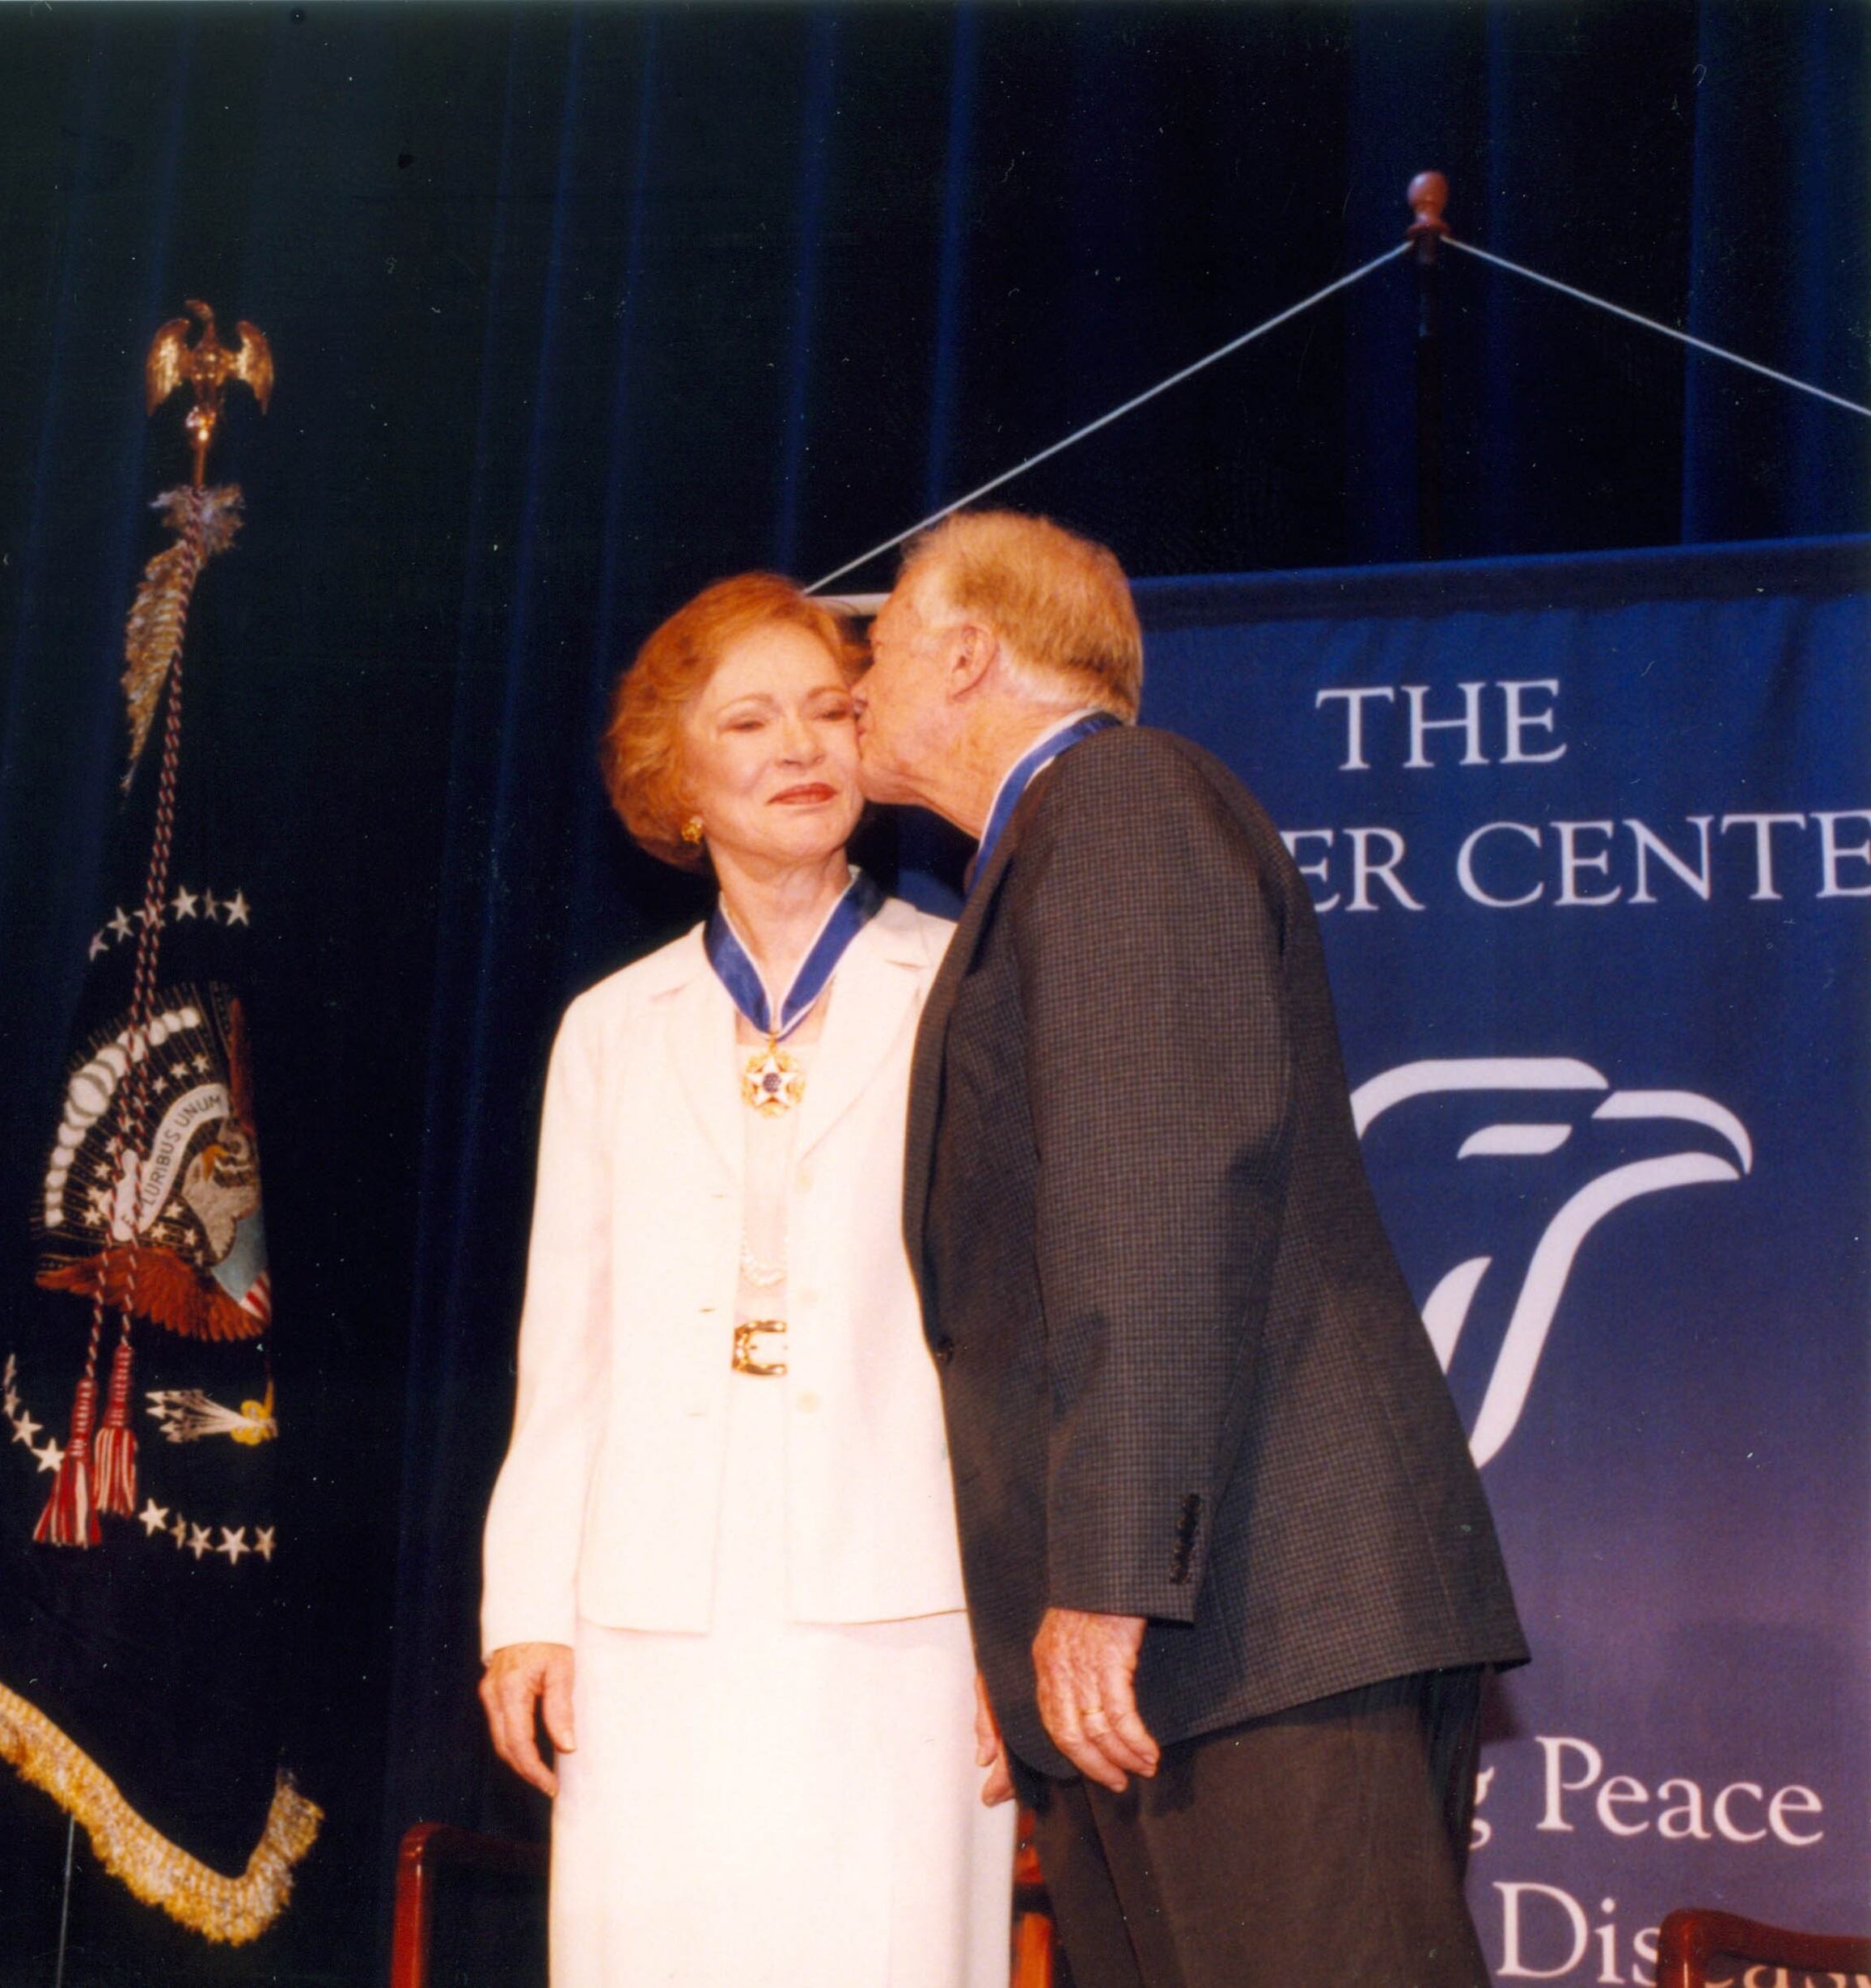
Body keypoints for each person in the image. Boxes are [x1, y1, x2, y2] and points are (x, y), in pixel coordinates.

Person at [851, 510, 1528, 1988]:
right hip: (1201, 1630)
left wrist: (1106, 1577)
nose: (857, 677)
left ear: (968, 654)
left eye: (881, 637)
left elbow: (1158, 1202)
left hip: (1250, 1616)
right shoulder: (1046, 848)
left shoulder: (1117, 802)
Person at [479, 574, 1013, 1988]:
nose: (802, 748)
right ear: (678, 779)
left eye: (833, 711)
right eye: (752, 720)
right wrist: (526, 1605)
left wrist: (1015, 1615)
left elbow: (1016, 1340)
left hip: (899, 1609)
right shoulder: (610, 1029)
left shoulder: (969, 984)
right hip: (650, 1623)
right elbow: (567, 1348)